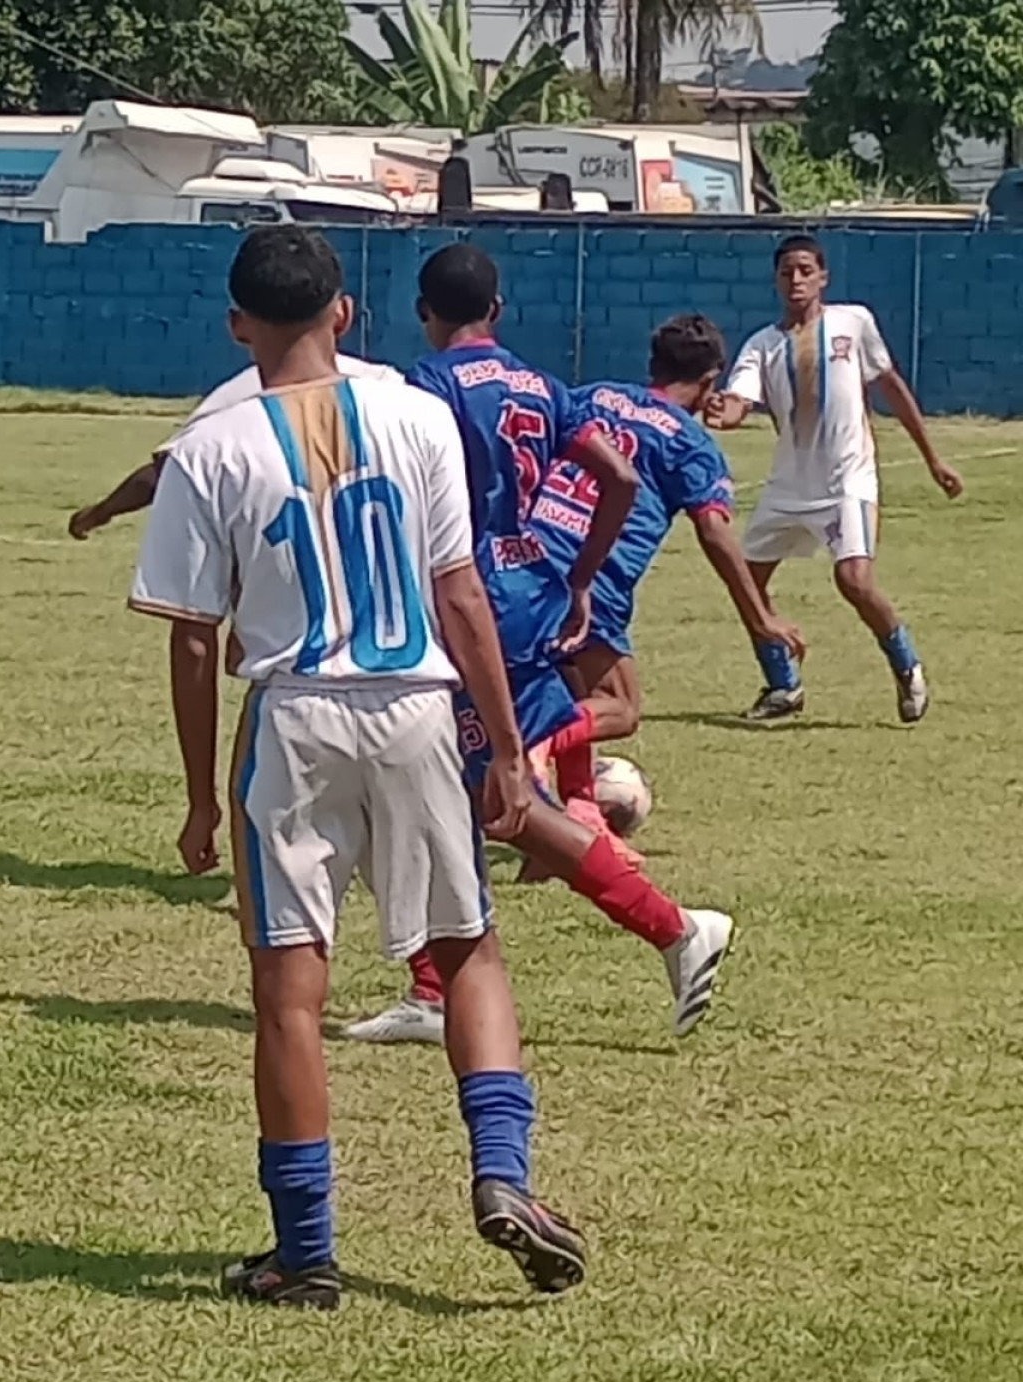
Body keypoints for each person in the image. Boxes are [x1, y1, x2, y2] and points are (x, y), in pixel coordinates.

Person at [131, 225, 587, 1310]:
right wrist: (509, 750)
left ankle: (306, 1252)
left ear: (239, 326)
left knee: (291, 991)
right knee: (466, 949)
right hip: (419, 708)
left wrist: (200, 795)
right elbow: (460, 591)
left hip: (294, 715)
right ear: (344, 311)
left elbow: (193, 635)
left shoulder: (213, 445)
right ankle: (502, 1173)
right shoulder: (417, 415)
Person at [350, 243, 733, 1048]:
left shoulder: (428, 386)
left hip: (465, 599)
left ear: (425, 313)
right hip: (530, 592)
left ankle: (672, 930)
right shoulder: (544, 386)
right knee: (482, 796)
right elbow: (620, 481)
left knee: (443, 794)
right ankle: (437, 985)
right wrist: (584, 578)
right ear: (497, 310)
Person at [529, 315, 808, 798]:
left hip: (525, 556)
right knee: (619, 706)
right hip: (593, 580)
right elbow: (714, 533)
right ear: (708, 382)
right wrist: (762, 619)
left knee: (575, 698)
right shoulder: (690, 443)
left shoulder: (594, 397)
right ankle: (532, 748)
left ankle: (579, 817)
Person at [709, 235, 963, 723]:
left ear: (823, 276)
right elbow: (740, 401)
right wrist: (725, 411)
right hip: (789, 486)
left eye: (806, 270)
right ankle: (784, 686)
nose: (797, 280)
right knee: (746, 583)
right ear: (776, 280)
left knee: (853, 579)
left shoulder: (854, 322)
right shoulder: (763, 345)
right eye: (787, 272)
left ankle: (906, 665)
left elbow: (891, 385)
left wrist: (933, 458)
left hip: (849, 479)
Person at [67, 352, 403, 542]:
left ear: (240, 326)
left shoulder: (243, 392)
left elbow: (167, 472)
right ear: (341, 314)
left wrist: (99, 513)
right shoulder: (387, 383)